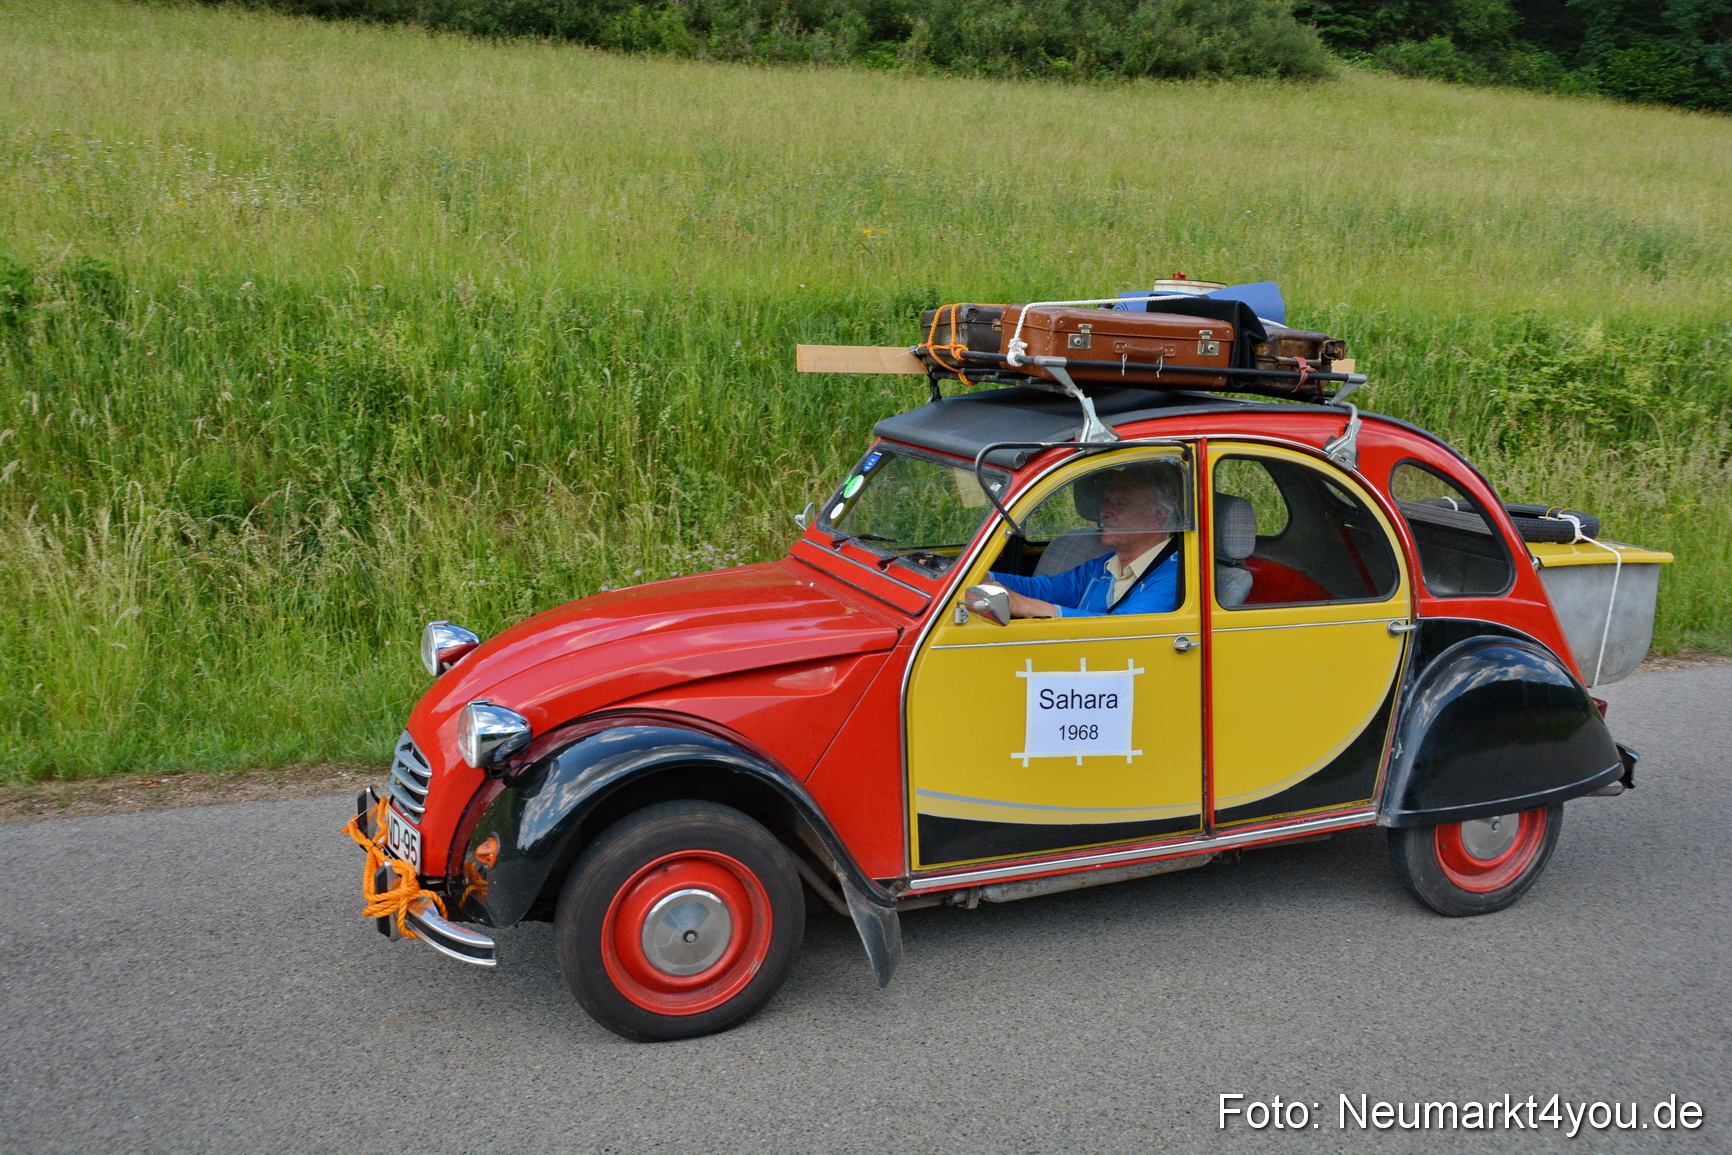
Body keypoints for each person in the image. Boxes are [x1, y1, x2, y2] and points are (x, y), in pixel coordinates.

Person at [990, 464, 1183, 618]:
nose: (1104, 511)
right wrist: (980, 579)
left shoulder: (1176, 574)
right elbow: (1044, 589)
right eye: (1107, 500)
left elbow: (1124, 632)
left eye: (1122, 504)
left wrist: (1025, 606)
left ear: (1158, 518)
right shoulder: (1105, 566)